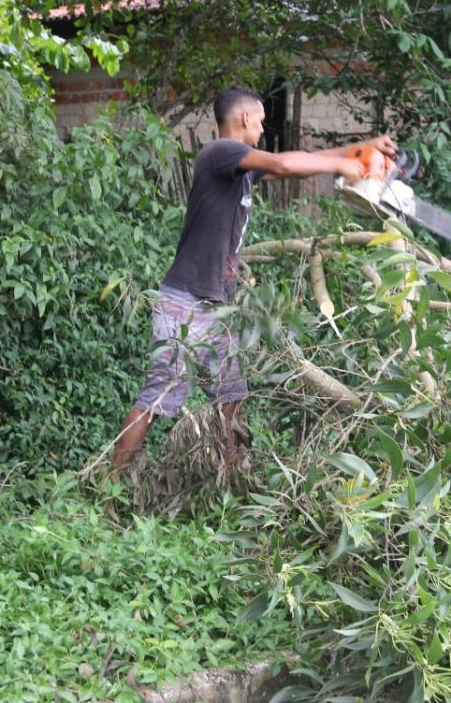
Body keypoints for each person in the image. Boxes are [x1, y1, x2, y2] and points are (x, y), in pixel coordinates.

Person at [110, 86, 395, 474]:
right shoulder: (221, 152)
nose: (262, 127)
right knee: (158, 397)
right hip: (185, 302)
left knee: (231, 398)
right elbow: (283, 164)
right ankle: (112, 485)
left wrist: (362, 150)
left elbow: (303, 158)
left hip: (216, 305)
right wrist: (343, 168)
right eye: (260, 120)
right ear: (244, 118)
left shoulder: (240, 165)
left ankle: (233, 485)